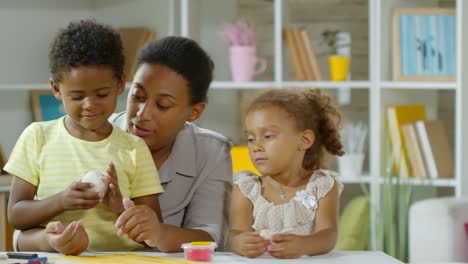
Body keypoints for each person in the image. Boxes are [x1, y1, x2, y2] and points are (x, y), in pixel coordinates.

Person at [5, 20, 163, 255]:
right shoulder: (37, 137)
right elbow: (16, 215)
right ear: (57, 89)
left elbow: (152, 227)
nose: (90, 105)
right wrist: (61, 201)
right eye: (77, 96)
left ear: (120, 84)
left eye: (101, 94)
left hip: (122, 259)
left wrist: (121, 207)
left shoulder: (134, 148)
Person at [107, 36, 233, 252]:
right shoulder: (96, 135)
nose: (142, 114)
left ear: (194, 112)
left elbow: (211, 237)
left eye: (163, 105)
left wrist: (159, 233)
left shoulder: (212, 151)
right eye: (137, 96)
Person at [228, 88, 345, 259]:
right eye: (251, 139)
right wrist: (239, 243)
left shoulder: (321, 186)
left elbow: (328, 235)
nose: (256, 146)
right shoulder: (246, 189)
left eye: (268, 136)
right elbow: (234, 233)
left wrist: (303, 245)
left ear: (304, 140)